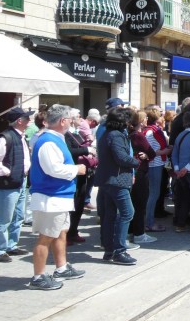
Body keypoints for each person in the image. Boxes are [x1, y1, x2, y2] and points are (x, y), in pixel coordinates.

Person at [29, 104, 87, 290]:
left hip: (58, 197)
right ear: (63, 121)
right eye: (70, 119)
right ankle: (38, 276)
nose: (72, 122)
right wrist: (76, 170)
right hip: (50, 197)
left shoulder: (55, 138)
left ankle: (61, 268)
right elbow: (52, 169)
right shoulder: (48, 141)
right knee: (45, 237)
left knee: (60, 232)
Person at [95, 107, 140, 265]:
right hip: (117, 180)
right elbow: (121, 157)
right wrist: (136, 161)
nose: (129, 124)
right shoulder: (116, 136)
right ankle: (119, 250)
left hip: (108, 179)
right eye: (127, 121)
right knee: (128, 212)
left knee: (110, 216)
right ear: (123, 121)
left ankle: (109, 250)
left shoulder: (106, 133)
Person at [0, 107, 34, 263]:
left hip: (20, 181)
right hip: (8, 183)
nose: (29, 121)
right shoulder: (5, 137)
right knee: (4, 218)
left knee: (18, 216)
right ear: (19, 121)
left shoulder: (20, 137)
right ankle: (0, 249)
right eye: (27, 118)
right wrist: (8, 171)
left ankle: (11, 245)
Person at [64, 111, 98, 245]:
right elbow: (69, 151)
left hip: (83, 172)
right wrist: (87, 150)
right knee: (72, 205)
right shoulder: (66, 135)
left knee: (79, 204)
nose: (81, 118)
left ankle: (73, 231)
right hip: (73, 172)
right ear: (71, 119)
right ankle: (66, 234)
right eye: (78, 116)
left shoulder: (76, 133)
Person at [127, 109, 159, 244]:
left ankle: (131, 231)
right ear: (140, 120)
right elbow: (151, 153)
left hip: (134, 171)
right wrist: (147, 155)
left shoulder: (129, 134)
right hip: (140, 171)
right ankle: (139, 234)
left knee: (134, 203)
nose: (147, 120)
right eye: (145, 118)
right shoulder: (138, 135)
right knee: (140, 203)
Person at [143, 107, 170, 233]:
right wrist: (165, 151)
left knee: (153, 194)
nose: (162, 117)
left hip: (157, 164)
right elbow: (149, 151)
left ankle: (149, 221)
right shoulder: (151, 132)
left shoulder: (152, 130)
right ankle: (149, 223)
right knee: (153, 194)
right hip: (154, 164)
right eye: (161, 115)